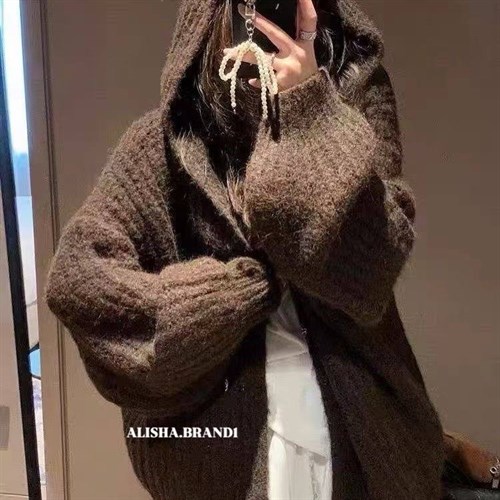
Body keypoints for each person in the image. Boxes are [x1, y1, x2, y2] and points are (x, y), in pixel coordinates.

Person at [44, 0, 448, 498]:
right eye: (251, 6)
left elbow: (373, 271)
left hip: (360, 429)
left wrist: (310, 114)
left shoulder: (359, 107)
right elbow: (79, 279)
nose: (268, 20)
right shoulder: (168, 141)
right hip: (216, 449)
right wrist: (233, 295)